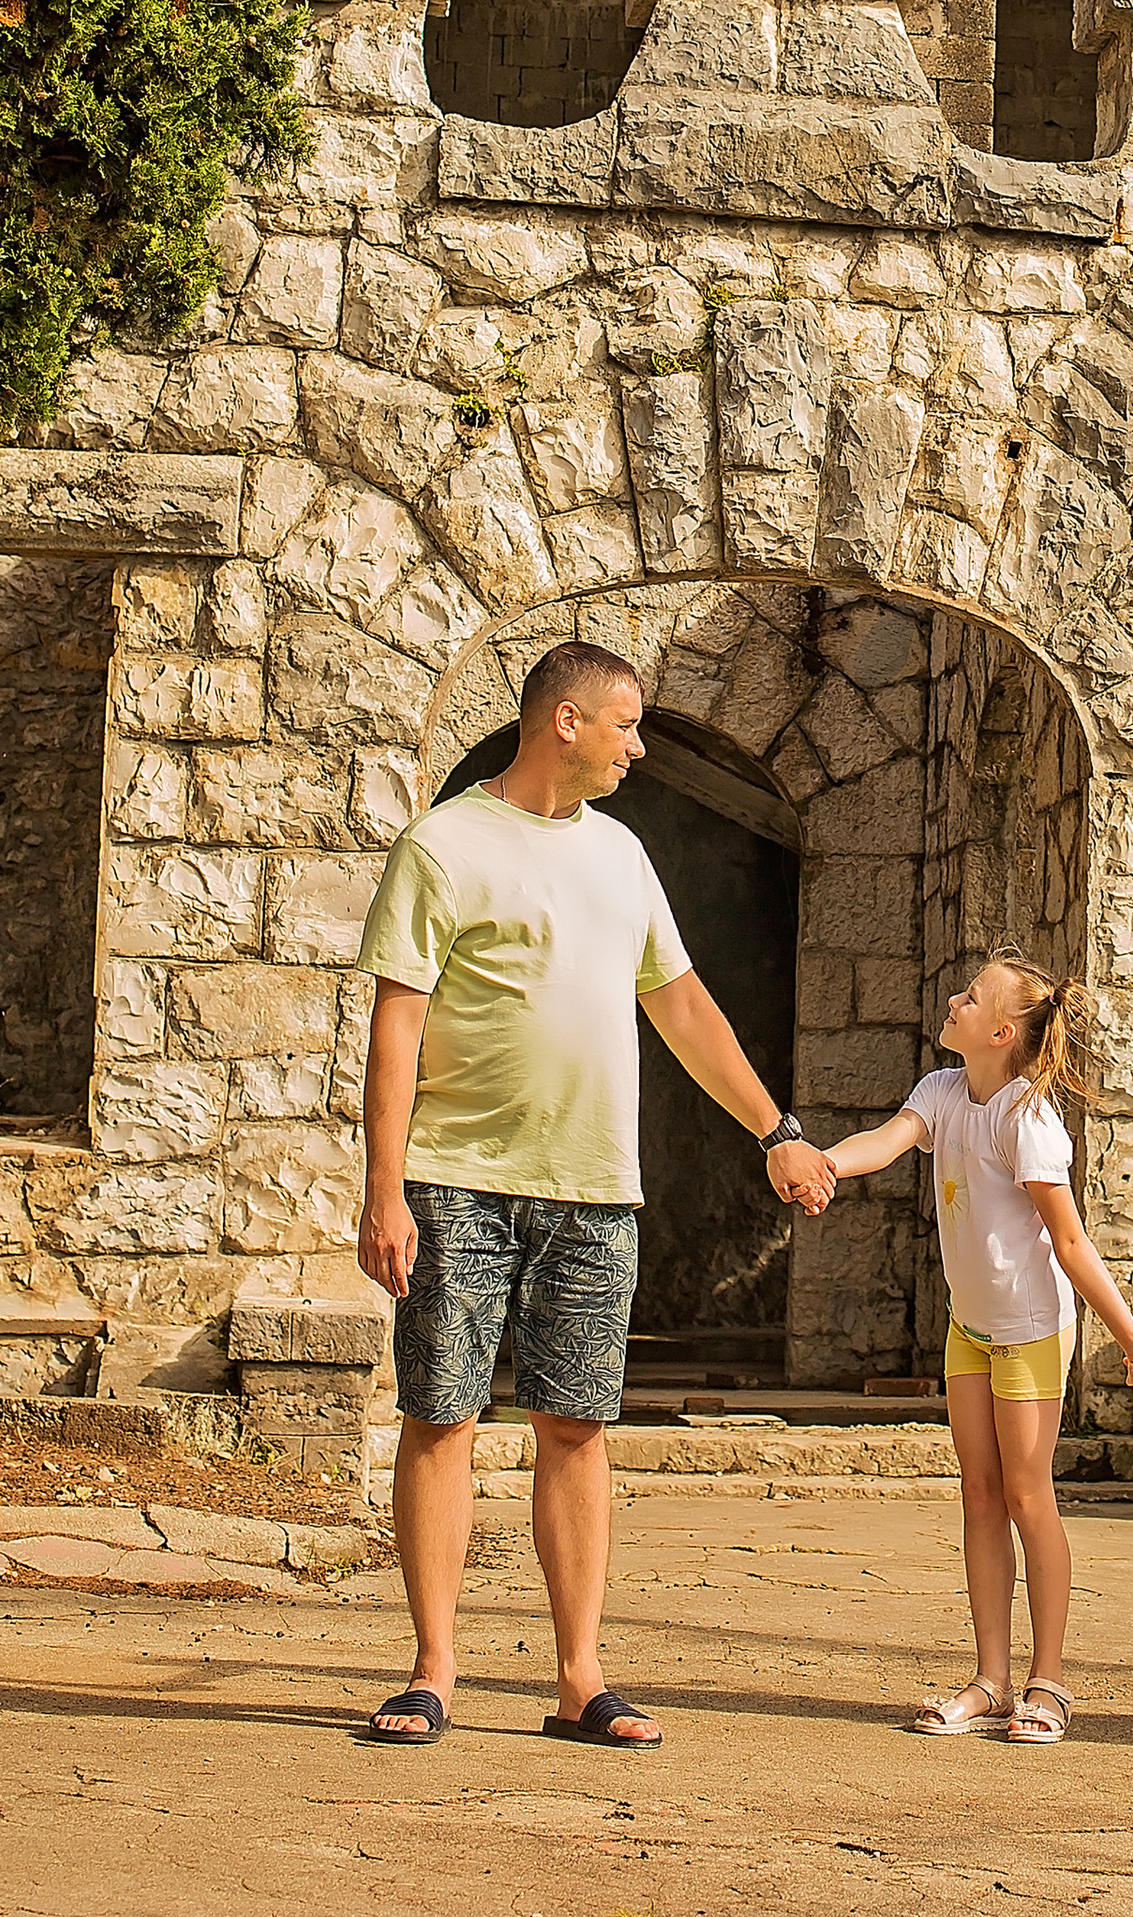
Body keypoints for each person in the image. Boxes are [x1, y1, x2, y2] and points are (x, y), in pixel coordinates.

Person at [352, 638, 837, 1749]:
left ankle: (580, 1678)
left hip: (593, 1193)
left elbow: (680, 1004)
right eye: (625, 723)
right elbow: (396, 1028)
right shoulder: (444, 844)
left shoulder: (622, 854)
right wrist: (384, 1191)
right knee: (443, 1415)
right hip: (457, 1185)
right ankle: (433, 1669)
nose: (639, 744)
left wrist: (777, 1130)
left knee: (577, 1424)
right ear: (563, 721)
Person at [823, 951, 1133, 1745]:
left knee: (1026, 1496)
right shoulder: (942, 1092)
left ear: (1003, 1030)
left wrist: (1132, 1338)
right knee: (978, 1495)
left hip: (1030, 1333)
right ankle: (990, 1680)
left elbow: (1073, 1243)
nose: (954, 999)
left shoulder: (1028, 1120)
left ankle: (1047, 1684)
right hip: (969, 1329)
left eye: (970, 996)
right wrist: (824, 1163)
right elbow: (884, 1139)